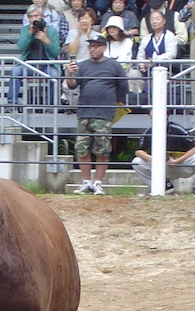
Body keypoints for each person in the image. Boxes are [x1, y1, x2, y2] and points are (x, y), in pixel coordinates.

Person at [65, 31, 127, 195]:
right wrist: (69, 73)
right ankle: (86, 183)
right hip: (84, 112)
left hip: (104, 113)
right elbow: (72, 85)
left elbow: (123, 88)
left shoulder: (114, 65)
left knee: (103, 149)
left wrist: (114, 105)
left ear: (104, 48)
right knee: (82, 149)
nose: (92, 49)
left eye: (96, 46)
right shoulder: (83, 65)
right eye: (91, 46)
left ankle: (98, 183)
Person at [131, 111, 195, 196]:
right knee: (136, 162)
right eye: (151, 117)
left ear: (166, 116)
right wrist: (155, 159)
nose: (153, 119)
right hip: (160, 166)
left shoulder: (177, 129)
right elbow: (138, 151)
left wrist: (177, 161)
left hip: (181, 164)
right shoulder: (149, 131)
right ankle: (162, 188)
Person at [7, 4, 61, 106]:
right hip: (29, 65)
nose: (34, 19)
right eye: (31, 16)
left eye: (36, 16)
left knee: (55, 75)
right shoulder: (25, 29)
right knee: (15, 71)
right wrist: (30, 34)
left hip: (47, 65)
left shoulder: (51, 30)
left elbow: (56, 52)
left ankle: (51, 105)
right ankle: (12, 103)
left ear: (42, 16)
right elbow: (21, 48)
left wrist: (46, 40)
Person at [136, 8, 177, 78]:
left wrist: (153, 61)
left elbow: (171, 54)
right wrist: (142, 65)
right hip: (147, 71)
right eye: (152, 19)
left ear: (164, 21)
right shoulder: (146, 38)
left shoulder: (170, 35)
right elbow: (140, 56)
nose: (154, 21)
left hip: (165, 71)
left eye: (157, 19)